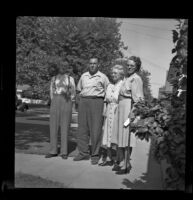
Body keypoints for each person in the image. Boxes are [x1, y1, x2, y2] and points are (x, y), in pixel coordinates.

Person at [73, 57, 109, 165]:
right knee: (82, 129)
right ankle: (83, 153)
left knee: (96, 129)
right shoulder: (84, 76)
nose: (92, 65)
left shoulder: (103, 77)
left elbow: (108, 91)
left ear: (98, 65)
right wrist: (78, 102)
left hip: (97, 102)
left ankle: (95, 154)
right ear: (88, 64)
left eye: (95, 63)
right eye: (91, 63)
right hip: (84, 102)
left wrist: (105, 107)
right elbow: (79, 90)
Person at [114, 56, 144, 174]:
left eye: (132, 65)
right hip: (121, 108)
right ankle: (123, 162)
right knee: (121, 136)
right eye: (128, 64)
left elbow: (139, 99)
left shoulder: (136, 79)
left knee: (127, 137)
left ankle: (126, 165)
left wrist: (133, 113)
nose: (129, 66)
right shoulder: (126, 77)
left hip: (128, 109)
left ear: (137, 66)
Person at [45, 64, 76, 159]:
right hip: (55, 101)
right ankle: (53, 151)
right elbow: (51, 91)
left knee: (65, 126)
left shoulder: (70, 79)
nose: (62, 68)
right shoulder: (53, 78)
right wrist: (54, 100)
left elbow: (73, 92)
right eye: (60, 66)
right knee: (53, 126)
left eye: (64, 66)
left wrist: (69, 100)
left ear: (66, 68)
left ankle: (64, 152)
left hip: (66, 101)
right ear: (58, 68)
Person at [98, 64, 124, 166]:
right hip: (109, 111)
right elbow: (106, 101)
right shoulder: (109, 86)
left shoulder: (123, 85)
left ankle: (118, 159)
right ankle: (108, 158)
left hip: (117, 112)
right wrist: (104, 114)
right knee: (107, 134)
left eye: (115, 73)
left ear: (121, 74)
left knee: (116, 135)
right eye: (112, 73)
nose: (113, 75)